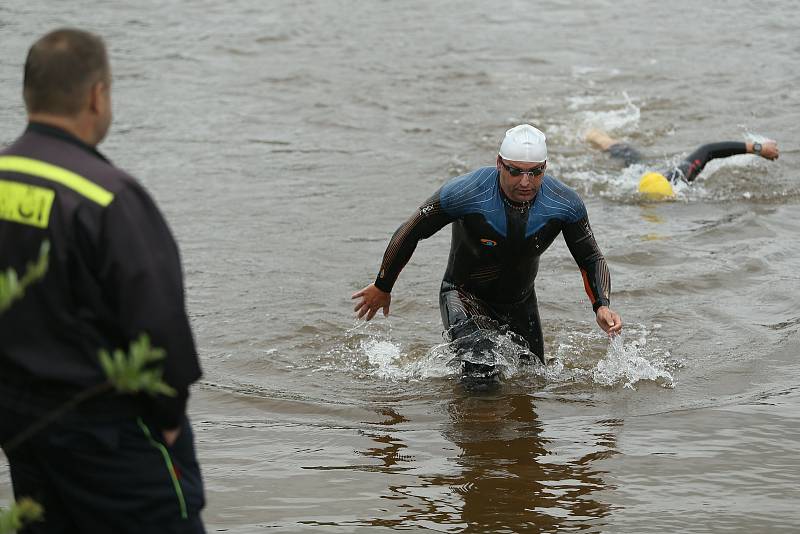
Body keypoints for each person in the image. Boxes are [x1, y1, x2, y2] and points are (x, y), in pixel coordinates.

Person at [0, 29, 205, 532]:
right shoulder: (108, 197)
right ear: (97, 95)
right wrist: (171, 417)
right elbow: (160, 327)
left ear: (29, 92)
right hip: (113, 435)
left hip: (25, 431)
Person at [352, 124, 622, 381]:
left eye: (535, 172)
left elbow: (590, 257)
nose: (525, 182)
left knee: (532, 381)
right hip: (463, 295)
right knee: (481, 370)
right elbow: (412, 230)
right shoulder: (467, 192)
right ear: (499, 163)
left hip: (520, 302)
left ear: (545, 168)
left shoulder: (564, 204)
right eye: (515, 171)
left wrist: (601, 305)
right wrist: (382, 285)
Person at [585, 128, 780, 199]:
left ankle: (594, 134)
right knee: (623, 154)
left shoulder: (680, 178)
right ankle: (595, 135)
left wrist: (757, 148)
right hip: (640, 177)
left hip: (645, 172)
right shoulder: (629, 191)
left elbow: (708, 150)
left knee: (626, 154)